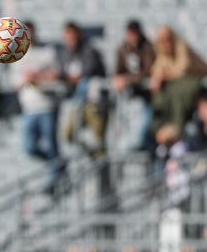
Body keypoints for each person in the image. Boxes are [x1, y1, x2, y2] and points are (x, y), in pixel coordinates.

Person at [14, 21, 66, 191]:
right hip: (29, 107)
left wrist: (40, 77)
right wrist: (25, 79)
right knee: (29, 147)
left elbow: (58, 75)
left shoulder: (48, 52)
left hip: (47, 105)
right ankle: (57, 164)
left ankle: (55, 177)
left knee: (51, 144)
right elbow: (14, 82)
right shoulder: (17, 54)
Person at [57, 22, 108, 158]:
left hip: (94, 102)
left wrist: (66, 78)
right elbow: (62, 74)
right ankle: (90, 152)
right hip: (77, 101)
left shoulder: (90, 51)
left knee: (98, 139)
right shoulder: (65, 53)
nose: (70, 40)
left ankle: (100, 167)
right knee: (69, 134)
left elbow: (85, 74)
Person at [113, 20, 155, 153]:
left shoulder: (148, 47)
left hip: (148, 96)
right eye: (130, 34)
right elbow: (118, 71)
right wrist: (119, 80)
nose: (132, 37)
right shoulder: (122, 49)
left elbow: (148, 71)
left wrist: (128, 79)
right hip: (129, 97)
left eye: (134, 33)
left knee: (145, 130)